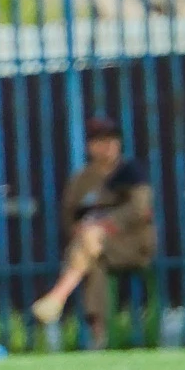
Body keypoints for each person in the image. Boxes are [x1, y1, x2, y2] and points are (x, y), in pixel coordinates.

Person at [29, 115, 155, 345]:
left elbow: (139, 208)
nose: (108, 146)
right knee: (93, 260)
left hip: (131, 243)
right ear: (90, 146)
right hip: (94, 247)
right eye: (100, 141)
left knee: (90, 238)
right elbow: (70, 215)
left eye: (112, 140)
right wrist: (79, 228)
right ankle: (99, 336)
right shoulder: (81, 180)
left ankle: (58, 296)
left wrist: (105, 223)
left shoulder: (130, 172)